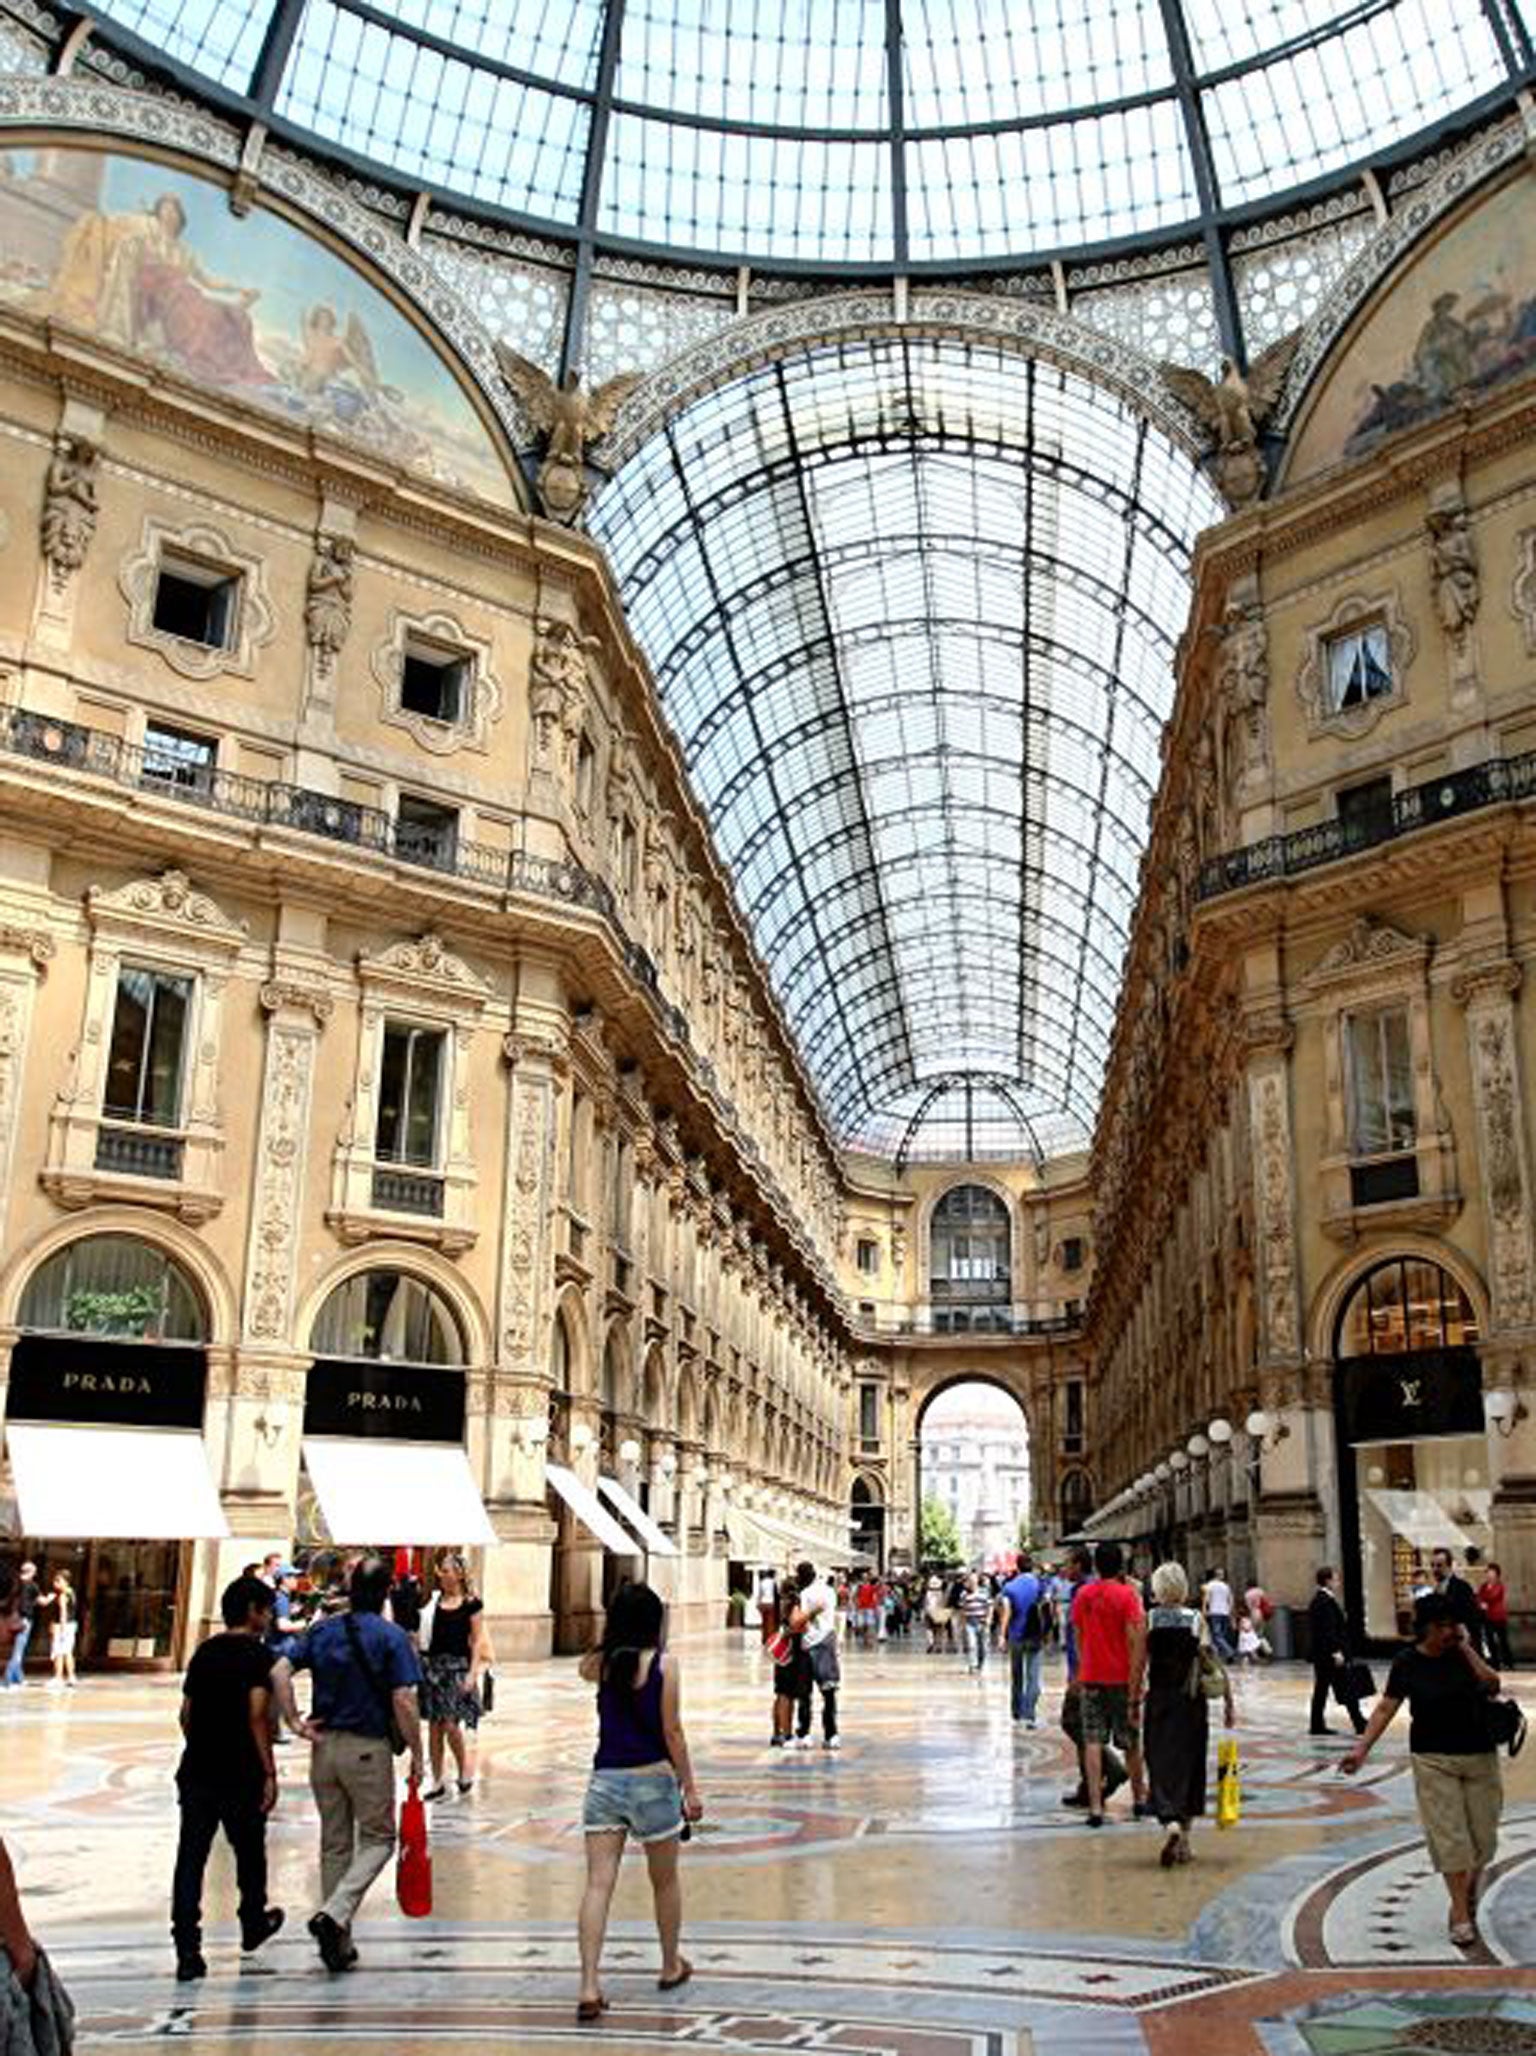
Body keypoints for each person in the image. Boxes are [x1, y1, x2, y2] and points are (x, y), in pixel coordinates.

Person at [271, 1554, 424, 1973]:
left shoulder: (323, 1630)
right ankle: (334, 1914)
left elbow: (280, 1671)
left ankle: (338, 1945)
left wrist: (295, 1722)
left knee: (335, 1843)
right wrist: (418, 1752)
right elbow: (404, 1699)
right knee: (378, 1839)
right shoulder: (390, 1637)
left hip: (324, 1749)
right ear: (386, 1592)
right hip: (366, 1749)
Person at [1341, 1591, 1505, 1948]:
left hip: (1479, 1755)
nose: (1449, 1632)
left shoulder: (1465, 1653)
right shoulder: (1407, 1662)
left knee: (1483, 1839)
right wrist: (1361, 1749)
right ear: (1425, 1628)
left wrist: (1466, 1649)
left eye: (1453, 1624)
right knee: (1449, 1837)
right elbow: (1386, 1708)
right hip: (1433, 1757)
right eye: (1442, 1626)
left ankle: (1468, 1889)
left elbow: (1493, 1684)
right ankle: (1460, 1912)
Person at [576, 1581, 702, 2021]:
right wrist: (690, 1788)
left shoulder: (601, 1664)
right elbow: (673, 1733)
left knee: (597, 1884)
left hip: (605, 1782)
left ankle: (589, 1985)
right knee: (664, 1881)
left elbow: (585, 1666)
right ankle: (670, 1965)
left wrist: (612, 1640)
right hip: (653, 1781)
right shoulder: (666, 1666)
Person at [170, 1574, 285, 1981]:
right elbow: (257, 1716)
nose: (269, 1616)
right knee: (250, 1852)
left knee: (191, 1857)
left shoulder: (204, 1652)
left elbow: (185, 1714)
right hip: (241, 1771)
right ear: (253, 1612)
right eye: (267, 1609)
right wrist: (268, 1771)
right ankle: (252, 1921)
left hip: (198, 1770)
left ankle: (187, 1948)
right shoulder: (259, 1657)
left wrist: (202, 1744)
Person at [1135, 1562, 1234, 1869]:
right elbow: (1211, 1662)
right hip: (1191, 1702)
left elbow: (1138, 1665)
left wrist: (1130, 1701)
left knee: (1160, 1760)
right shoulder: (1196, 1620)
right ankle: (1186, 1841)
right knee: (1190, 1764)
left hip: (1160, 1701)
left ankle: (1170, 1824)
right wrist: (1230, 1702)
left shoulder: (1149, 1619)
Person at [1071, 1541, 1149, 1826]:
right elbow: (1134, 1639)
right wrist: (1136, 1682)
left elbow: (1079, 1637)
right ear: (1120, 1565)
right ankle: (1140, 1800)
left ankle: (1095, 1807)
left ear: (1096, 1565)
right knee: (1130, 1742)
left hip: (1091, 1677)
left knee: (1092, 1741)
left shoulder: (1083, 1595)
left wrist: (1085, 1666)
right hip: (1121, 1678)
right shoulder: (1128, 1596)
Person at [417, 1551, 492, 1800]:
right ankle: (437, 1779)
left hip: (457, 1668)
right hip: (434, 1668)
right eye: (441, 1571)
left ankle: (464, 1771)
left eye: (446, 1570)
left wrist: (473, 1673)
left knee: (450, 1724)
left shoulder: (472, 1603)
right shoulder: (434, 1602)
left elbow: (477, 1640)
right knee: (434, 1728)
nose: (441, 1575)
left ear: (459, 1573)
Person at [1308, 1565, 1366, 1736]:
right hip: (1330, 1655)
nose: (1338, 1582)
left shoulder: (1321, 1600)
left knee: (1323, 1689)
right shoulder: (1324, 1601)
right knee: (1346, 1688)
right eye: (1335, 1579)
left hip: (1323, 1655)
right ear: (1328, 1580)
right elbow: (1328, 1629)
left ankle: (1317, 1724)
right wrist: (1336, 1651)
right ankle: (1358, 1722)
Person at [997, 1553, 1047, 1726]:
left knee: (1017, 1675)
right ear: (1031, 1566)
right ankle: (1029, 1714)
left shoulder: (1009, 1587)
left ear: (1017, 1567)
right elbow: (1044, 1608)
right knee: (1033, 1677)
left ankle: (1017, 1712)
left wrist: (1002, 1636)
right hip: (1034, 1635)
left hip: (1016, 1636)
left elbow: (1006, 1612)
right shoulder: (1039, 1584)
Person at [795, 1562, 842, 1749]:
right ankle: (831, 1735)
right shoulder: (830, 1592)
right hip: (827, 1643)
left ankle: (805, 1734)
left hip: (808, 1644)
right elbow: (832, 1616)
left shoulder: (804, 1594)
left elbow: (803, 1620)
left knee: (805, 1693)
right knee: (829, 1693)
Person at [771, 1574, 812, 1749]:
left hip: (782, 1655)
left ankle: (777, 1733)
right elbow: (796, 1624)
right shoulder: (793, 1604)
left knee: (781, 1695)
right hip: (793, 1653)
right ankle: (787, 1735)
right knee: (788, 1695)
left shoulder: (779, 1605)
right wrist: (811, 1614)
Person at [1428, 1546, 1486, 1654]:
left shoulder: (1461, 1587)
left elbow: (1472, 1617)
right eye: (1432, 1565)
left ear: (1449, 1566)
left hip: (1461, 1644)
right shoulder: (1436, 1589)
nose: (1435, 1569)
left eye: (1439, 1565)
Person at [35, 1570, 77, 1688]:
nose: (55, 1583)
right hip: (71, 1625)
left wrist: (61, 1630)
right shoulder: (71, 1593)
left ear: (66, 1582)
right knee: (68, 1652)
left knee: (58, 1652)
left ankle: (58, 1677)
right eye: (55, 1580)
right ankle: (71, 1676)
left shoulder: (62, 1596)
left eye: (58, 1581)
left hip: (62, 1626)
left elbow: (63, 1613)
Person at [2, 1561, 37, 1690]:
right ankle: (7, 1681)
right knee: (18, 1652)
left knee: (16, 1650)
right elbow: (40, 1601)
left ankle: (19, 1678)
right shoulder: (32, 1586)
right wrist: (50, 1598)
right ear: (31, 1572)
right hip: (24, 1621)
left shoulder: (15, 1584)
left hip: (12, 1619)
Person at [1479, 1562, 1514, 1670]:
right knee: (1490, 1640)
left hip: (1499, 1616)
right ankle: (1495, 1663)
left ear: (1496, 1574)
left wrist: (1485, 1601)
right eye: (1488, 1572)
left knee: (1503, 1640)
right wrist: (1481, 1602)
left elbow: (1493, 1596)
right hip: (1487, 1616)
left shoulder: (1499, 1585)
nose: (1489, 1574)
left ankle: (1508, 1662)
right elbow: (1479, 1597)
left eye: (1491, 1572)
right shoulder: (1483, 1586)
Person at [958, 1572, 992, 1675]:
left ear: (977, 1580)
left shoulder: (985, 1592)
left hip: (982, 1622)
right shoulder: (964, 1594)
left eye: (974, 1580)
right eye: (970, 1580)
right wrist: (962, 1623)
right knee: (971, 1645)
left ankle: (980, 1665)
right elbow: (962, 1609)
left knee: (983, 1646)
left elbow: (990, 1606)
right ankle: (972, 1665)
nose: (972, 1582)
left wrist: (989, 1618)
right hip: (970, 1622)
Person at [1202, 1566, 1235, 1661]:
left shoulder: (1210, 1585)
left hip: (1214, 1612)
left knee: (1216, 1636)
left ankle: (1229, 1652)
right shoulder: (1226, 1586)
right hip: (1225, 1613)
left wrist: (1204, 1609)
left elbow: (1207, 1599)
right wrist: (1230, 1612)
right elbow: (1231, 1600)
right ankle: (1223, 1656)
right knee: (1222, 1636)